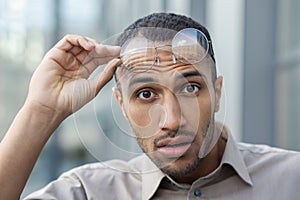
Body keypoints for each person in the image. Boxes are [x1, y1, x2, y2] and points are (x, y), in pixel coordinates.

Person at [0, 12, 299, 200]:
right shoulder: (88, 192)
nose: (171, 120)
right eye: (146, 94)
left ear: (217, 93)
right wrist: (42, 111)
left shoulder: (292, 179)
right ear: (121, 104)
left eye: (190, 87)